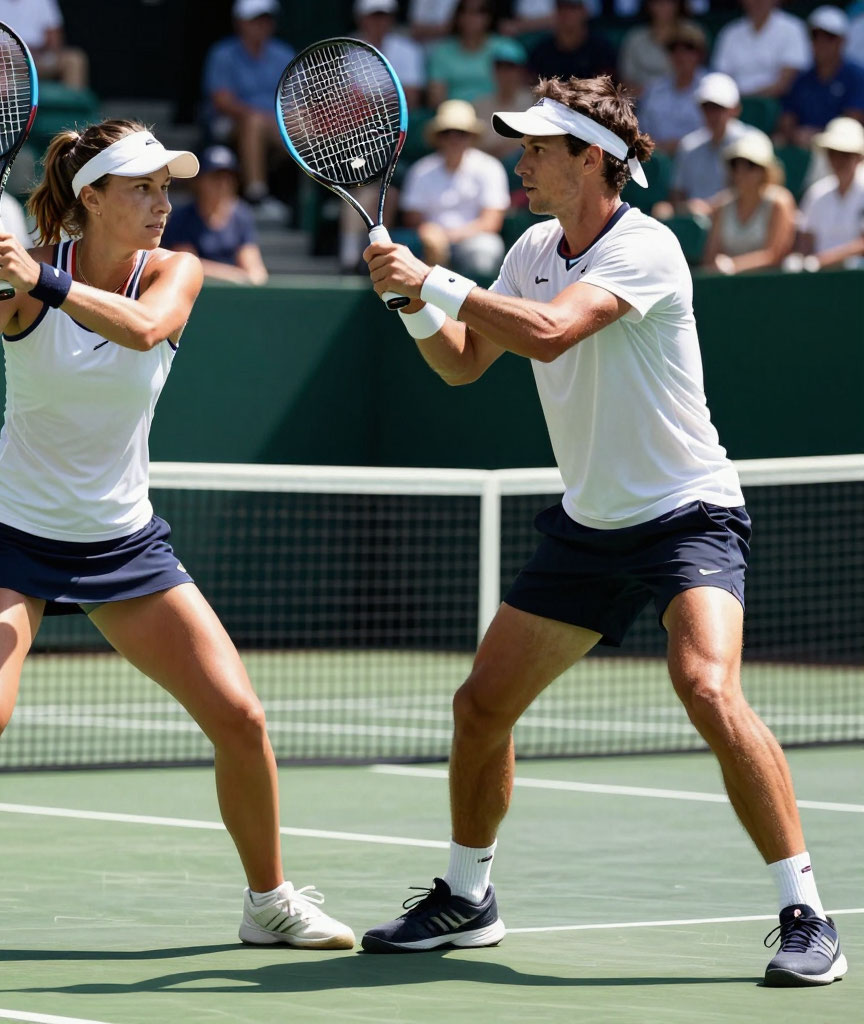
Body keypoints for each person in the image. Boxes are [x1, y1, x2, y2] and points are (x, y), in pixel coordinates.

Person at [360, 74, 847, 988]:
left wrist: (436, 277)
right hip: (589, 528)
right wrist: (410, 302)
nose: (524, 161)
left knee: (705, 684)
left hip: (688, 515)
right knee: (480, 707)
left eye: (540, 148)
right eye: (523, 146)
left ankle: (806, 913)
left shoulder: (650, 247)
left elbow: (549, 335)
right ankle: (468, 896)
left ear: (593, 159)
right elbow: (465, 366)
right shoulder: (534, 245)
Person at [0, 119, 353, 977]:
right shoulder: (22, 285)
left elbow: (147, 330)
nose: (163, 205)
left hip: (123, 541)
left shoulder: (175, 271)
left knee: (241, 716)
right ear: (94, 199)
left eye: (167, 189)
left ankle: (269, 902)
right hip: (12, 533)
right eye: (144, 188)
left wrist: (33, 274)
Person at [202, 0, 295, 220]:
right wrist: (264, 119)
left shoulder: (283, 53)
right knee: (253, 122)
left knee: (302, 123)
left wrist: (280, 120)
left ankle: (318, 197)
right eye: (255, 20)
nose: (261, 26)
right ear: (240, 23)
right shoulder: (223, 54)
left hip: (276, 122)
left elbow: (295, 100)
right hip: (229, 123)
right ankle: (256, 195)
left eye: (266, 20)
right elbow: (222, 100)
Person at [399, 100, 510, 280]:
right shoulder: (421, 170)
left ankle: (477, 303)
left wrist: (447, 237)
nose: (453, 139)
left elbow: (491, 222)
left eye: (461, 133)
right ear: (438, 137)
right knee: (399, 246)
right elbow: (412, 217)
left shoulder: (490, 167)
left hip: (472, 240)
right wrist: (428, 234)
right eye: (447, 133)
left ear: (471, 137)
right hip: (427, 241)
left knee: (485, 251)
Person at [163, 145, 268, 285]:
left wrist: (251, 277)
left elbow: (254, 269)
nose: (223, 184)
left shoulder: (242, 216)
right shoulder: (181, 218)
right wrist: (234, 275)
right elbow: (187, 265)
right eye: (215, 177)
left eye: (228, 178)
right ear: (199, 181)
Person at [659, 72, 758, 219]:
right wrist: (677, 208)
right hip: (693, 223)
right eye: (707, 107)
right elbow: (678, 193)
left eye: (719, 108)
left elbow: (752, 192)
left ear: (735, 109)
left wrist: (710, 207)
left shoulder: (751, 142)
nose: (712, 114)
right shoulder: (689, 145)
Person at [702, 131, 796, 274]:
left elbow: (774, 255)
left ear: (765, 171)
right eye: (735, 165)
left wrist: (733, 266)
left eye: (750, 165)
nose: (741, 171)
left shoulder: (779, 202)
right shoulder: (722, 205)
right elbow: (711, 257)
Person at [776, 6, 864, 148]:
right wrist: (794, 134)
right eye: (815, 36)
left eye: (829, 37)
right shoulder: (801, 78)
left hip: (844, 151)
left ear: (842, 41)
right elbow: (787, 119)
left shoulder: (857, 76)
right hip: (805, 149)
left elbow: (852, 123)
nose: (821, 43)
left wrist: (818, 136)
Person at [787, 116, 864, 271]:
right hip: (820, 279)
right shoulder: (817, 193)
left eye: (845, 154)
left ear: (859, 157)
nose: (838, 160)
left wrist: (822, 261)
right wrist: (805, 261)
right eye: (832, 153)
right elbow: (805, 241)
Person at [0, 0, 90, 90]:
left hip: (36, 59)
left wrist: (38, 53)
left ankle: (73, 122)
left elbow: (54, 37)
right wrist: (11, 53)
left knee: (75, 59)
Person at [711, 0, 811, 99]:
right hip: (732, 105)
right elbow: (722, 79)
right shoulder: (729, 33)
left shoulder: (793, 28)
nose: (758, 1)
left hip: (777, 104)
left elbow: (784, 83)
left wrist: (746, 98)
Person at [637, 21, 709, 156]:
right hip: (657, 160)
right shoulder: (654, 90)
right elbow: (641, 133)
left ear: (700, 54)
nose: (680, 55)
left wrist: (682, 145)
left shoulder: (710, 87)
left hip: (698, 158)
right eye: (674, 49)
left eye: (688, 48)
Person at [426, 0, 504, 107]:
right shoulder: (442, 52)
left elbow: (515, 93)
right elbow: (436, 99)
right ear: (457, 17)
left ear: (489, 17)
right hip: (455, 117)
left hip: (496, 113)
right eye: (464, 11)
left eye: (479, 11)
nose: (470, 17)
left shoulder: (506, 49)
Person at [353, 0, 426, 110]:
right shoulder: (348, 52)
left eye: (383, 16)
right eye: (373, 16)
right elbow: (348, 98)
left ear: (392, 19)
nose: (378, 22)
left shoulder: (408, 49)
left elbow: (411, 97)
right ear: (361, 19)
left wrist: (367, 101)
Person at [617, 0, 697, 97]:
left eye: (669, 2)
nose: (663, 6)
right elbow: (626, 83)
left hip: (687, 99)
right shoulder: (635, 38)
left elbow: (700, 75)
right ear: (649, 5)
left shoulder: (693, 34)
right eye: (658, 2)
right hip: (643, 103)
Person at [473, 38, 534, 161]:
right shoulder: (479, 105)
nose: (505, 73)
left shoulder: (534, 102)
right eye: (500, 67)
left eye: (511, 67)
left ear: (521, 71)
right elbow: (474, 144)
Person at [526, 0, 617, 83]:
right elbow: (532, 87)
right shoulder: (541, 51)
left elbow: (609, 87)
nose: (566, 14)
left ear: (584, 12)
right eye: (561, 8)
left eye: (573, 8)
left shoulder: (601, 49)